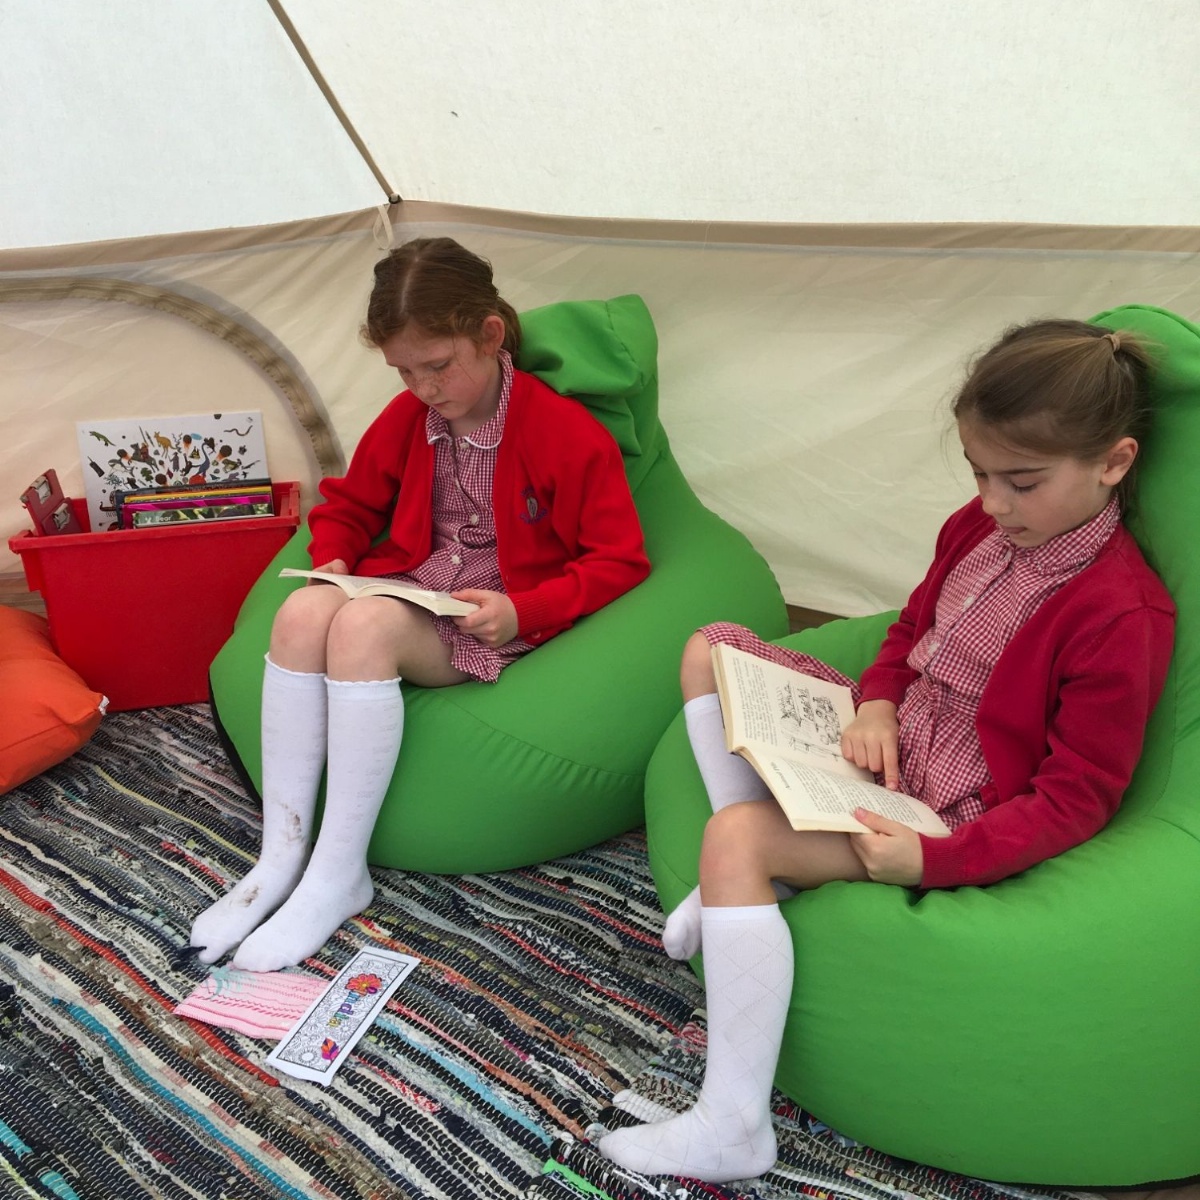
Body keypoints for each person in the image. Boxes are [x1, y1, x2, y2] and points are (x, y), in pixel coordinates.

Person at [599, 319, 1175, 1184]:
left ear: (1115, 464)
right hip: (890, 749)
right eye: (980, 475)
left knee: (733, 841)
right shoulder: (976, 532)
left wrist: (934, 860)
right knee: (708, 647)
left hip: (946, 810)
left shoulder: (1119, 612)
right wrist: (875, 700)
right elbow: (911, 630)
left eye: (1021, 482)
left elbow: (1077, 797)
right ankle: (758, 876)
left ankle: (732, 1125)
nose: (993, 503)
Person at [190, 237, 650, 972]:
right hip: (414, 580)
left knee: (365, 627)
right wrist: (332, 558)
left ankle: (338, 873)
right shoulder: (408, 418)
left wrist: (522, 611)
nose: (423, 387)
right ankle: (280, 855)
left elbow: (619, 560)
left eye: (437, 366)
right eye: (403, 371)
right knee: (303, 613)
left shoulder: (566, 435)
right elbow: (348, 504)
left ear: (490, 334)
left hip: (489, 610)